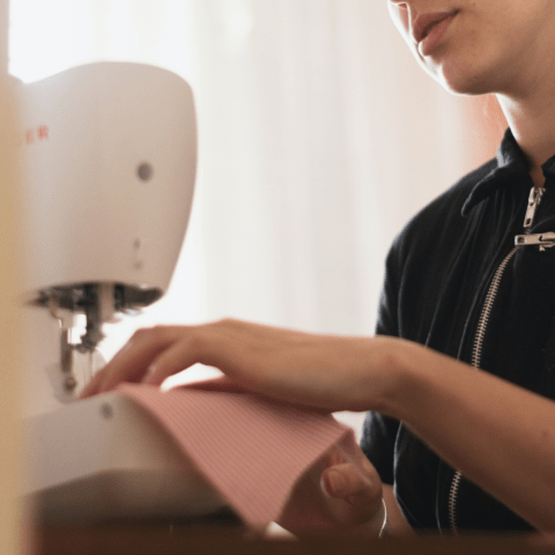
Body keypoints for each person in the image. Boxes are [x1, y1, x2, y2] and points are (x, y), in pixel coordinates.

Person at [81, 0, 555, 535]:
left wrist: (391, 375)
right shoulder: (424, 244)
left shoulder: (395, 357)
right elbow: (414, 522)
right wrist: (361, 517)